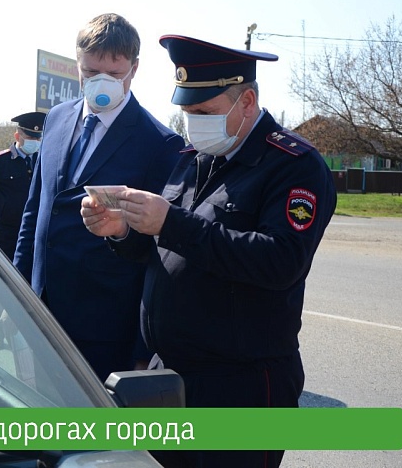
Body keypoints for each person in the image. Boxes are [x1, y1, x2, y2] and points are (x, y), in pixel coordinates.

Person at [80, 34, 337, 468]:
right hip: (169, 377)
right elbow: (166, 249)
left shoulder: (293, 165)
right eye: (187, 113)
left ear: (247, 102)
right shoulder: (195, 157)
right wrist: (122, 231)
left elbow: (280, 261)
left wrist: (171, 222)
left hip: (240, 386)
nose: (193, 123)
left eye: (203, 113)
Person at [13, 13, 185, 382]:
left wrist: (143, 350)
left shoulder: (160, 144)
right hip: (39, 311)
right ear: (77, 64)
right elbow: (35, 211)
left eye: (114, 73)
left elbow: (160, 255)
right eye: (90, 72)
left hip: (105, 327)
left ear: (134, 69)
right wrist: (15, 289)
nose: (100, 82)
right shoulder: (56, 119)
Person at [0, 111, 45, 349]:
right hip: (6, 234)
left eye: (38, 137)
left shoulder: (43, 161)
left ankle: (28, 332)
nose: (35, 141)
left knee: (32, 282)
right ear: (18, 135)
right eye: (30, 136)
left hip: (35, 234)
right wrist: (2, 214)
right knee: (2, 282)